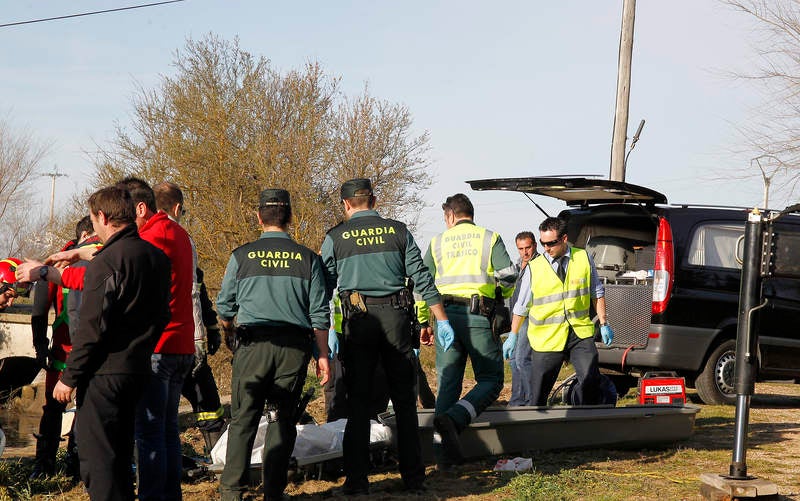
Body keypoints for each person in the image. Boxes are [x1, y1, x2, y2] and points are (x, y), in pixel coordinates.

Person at [320, 178, 454, 495]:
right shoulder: (398, 231)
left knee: (358, 404)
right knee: (405, 402)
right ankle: (414, 479)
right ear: (374, 200)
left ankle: (356, 482)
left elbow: (322, 287)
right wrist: (441, 319)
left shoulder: (336, 237)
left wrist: (325, 329)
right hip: (396, 319)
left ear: (346, 204)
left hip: (358, 321)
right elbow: (421, 277)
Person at [51, 185, 171, 500]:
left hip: (104, 374)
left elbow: (91, 327)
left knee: (98, 461)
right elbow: (163, 315)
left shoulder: (105, 262)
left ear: (102, 217)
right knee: (120, 453)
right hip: (139, 369)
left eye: (94, 221)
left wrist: (69, 377)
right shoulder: (157, 258)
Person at [216, 188, 330, 501]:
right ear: (290, 218)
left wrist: (229, 332)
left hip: (253, 345)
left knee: (244, 418)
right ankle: (273, 491)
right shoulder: (309, 260)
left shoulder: (241, 256)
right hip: (294, 349)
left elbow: (225, 307)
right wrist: (323, 356)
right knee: (283, 419)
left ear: (258, 217)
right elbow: (319, 315)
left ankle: (231, 491)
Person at [421, 193, 517, 470]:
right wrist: (501, 294)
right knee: (491, 380)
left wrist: (424, 323)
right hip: (477, 316)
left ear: (451, 215)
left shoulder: (437, 242)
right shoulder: (489, 238)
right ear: (470, 214)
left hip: (445, 320)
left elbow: (422, 283)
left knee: (448, 385)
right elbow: (509, 275)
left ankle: (443, 458)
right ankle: (456, 419)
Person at [508, 217, 615, 407]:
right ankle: (535, 426)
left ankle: (584, 421)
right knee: (538, 394)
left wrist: (605, 323)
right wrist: (513, 335)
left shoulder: (583, 258)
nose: (546, 248)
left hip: (579, 333)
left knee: (590, 379)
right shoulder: (535, 267)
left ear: (564, 239)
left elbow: (597, 292)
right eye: (542, 243)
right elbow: (521, 306)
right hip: (547, 338)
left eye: (551, 243)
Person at [154, 181, 225, 451]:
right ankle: (217, 455)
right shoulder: (182, 238)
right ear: (178, 207)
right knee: (207, 401)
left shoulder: (144, 236)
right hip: (183, 338)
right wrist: (204, 333)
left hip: (158, 341)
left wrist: (210, 324)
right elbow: (195, 290)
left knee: (160, 409)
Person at [29, 216, 100, 478]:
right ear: (86, 235)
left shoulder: (58, 262)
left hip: (65, 348)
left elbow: (39, 311)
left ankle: (45, 465)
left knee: (55, 407)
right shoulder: (100, 260)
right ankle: (74, 463)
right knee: (83, 406)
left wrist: (40, 346)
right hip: (84, 350)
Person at [506, 231, 538, 407]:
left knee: (522, 358)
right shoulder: (517, 266)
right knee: (512, 359)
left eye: (528, 247)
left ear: (534, 245)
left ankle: (531, 400)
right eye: (520, 248)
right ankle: (517, 399)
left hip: (530, 317)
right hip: (515, 317)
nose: (525, 252)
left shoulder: (540, 264)